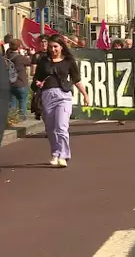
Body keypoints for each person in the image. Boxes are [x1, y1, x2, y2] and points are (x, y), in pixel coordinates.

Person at [33, 34, 89, 167]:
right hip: (47, 95)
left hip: (64, 96)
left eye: (55, 47)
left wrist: (85, 94)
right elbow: (36, 79)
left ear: (62, 47)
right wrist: (38, 83)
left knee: (61, 127)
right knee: (51, 128)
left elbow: (76, 79)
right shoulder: (43, 61)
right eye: (50, 47)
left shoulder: (68, 61)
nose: (52, 49)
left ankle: (63, 155)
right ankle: (55, 153)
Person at [5, 39, 31, 121]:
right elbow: (31, 62)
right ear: (19, 47)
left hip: (9, 84)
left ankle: (11, 119)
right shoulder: (20, 58)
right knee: (22, 101)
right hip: (21, 83)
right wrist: (29, 54)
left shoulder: (6, 58)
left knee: (12, 103)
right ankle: (21, 119)